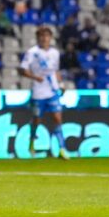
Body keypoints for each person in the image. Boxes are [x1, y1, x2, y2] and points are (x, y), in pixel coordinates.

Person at [19, 26, 69, 159]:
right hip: (38, 91)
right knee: (37, 120)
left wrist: (61, 84)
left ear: (50, 38)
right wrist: (35, 77)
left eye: (46, 36)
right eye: (41, 36)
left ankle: (62, 149)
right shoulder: (32, 52)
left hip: (52, 91)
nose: (44, 38)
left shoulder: (55, 53)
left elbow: (55, 71)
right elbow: (22, 70)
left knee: (58, 118)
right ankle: (32, 142)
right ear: (37, 38)